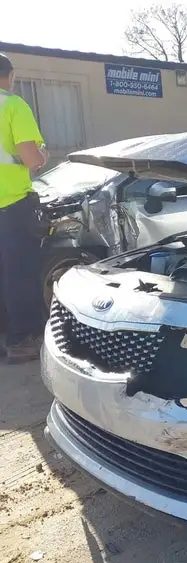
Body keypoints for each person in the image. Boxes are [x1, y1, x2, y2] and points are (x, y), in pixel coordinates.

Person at [0, 53, 49, 363]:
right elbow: (32, 159)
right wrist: (42, 154)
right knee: (20, 274)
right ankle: (22, 340)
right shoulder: (13, 106)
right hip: (11, 206)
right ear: (11, 76)